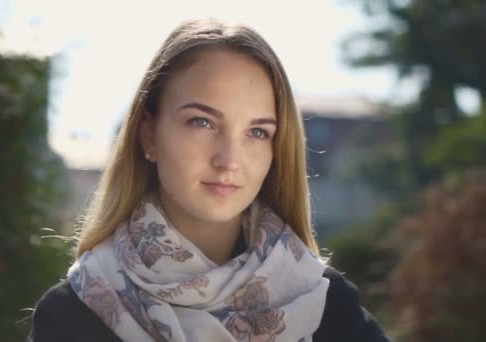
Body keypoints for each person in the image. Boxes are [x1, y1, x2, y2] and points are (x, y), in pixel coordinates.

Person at [29, 18, 389, 342]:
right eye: (202, 122)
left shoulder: (325, 307)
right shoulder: (74, 315)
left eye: (258, 132)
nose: (229, 160)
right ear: (149, 135)